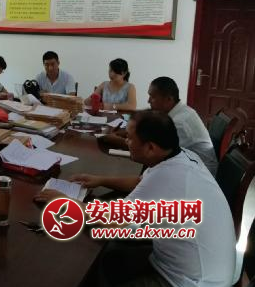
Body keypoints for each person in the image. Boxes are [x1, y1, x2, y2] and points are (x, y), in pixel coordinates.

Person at [35, 110, 235, 287]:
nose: (126, 142)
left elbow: (112, 222)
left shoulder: (166, 176)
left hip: (189, 281)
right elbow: (141, 181)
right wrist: (100, 179)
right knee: (110, 257)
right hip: (202, 267)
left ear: (150, 148)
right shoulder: (182, 156)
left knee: (95, 257)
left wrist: (67, 203)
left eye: (130, 139)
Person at [102, 77, 218, 176]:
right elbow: (150, 134)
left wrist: (114, 140)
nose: (148, 101)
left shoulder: (180, 123)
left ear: (169, 99)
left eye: (152, 97)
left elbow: (153, 150)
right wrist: (127, 133)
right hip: (188, 166)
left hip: (199, 173)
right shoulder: (178, 111)